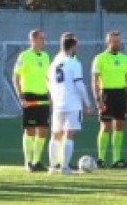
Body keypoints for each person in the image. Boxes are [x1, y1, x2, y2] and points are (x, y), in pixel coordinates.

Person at [48, 33, 92, 175]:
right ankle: (65, 167)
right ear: (73, 47)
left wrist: (55, 96)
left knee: (55, 135)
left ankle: (53, 167)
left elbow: (47, 81)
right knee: (70, 134)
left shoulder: (54, 64)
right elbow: (79, 84)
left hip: (58, 104)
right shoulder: (74, 63)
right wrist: (88, 103)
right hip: (72, 104)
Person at [92, 30, 127, 168]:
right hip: (107, 94)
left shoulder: (124, 58)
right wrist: (98, 99)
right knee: (105, 126)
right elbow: (95, 80)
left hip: (121, 94)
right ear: (108, 42)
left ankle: (117, 159)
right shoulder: (100, 58)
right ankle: (101, 159)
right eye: (115, 41)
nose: (117, 44)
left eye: (119, 41)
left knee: (119, 125)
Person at [12, 29, 51, 172]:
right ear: (33, 39)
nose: (44, 41)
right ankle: (28, 162)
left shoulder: (46, 56)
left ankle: (37, 161)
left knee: (43, 129)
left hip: (43, 96)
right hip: (29, 96)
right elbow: (15, 77)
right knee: (29, 130)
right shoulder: (24, 56)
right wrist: (21, 96)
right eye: (41, 38)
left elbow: (48, 77)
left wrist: (50, 93)